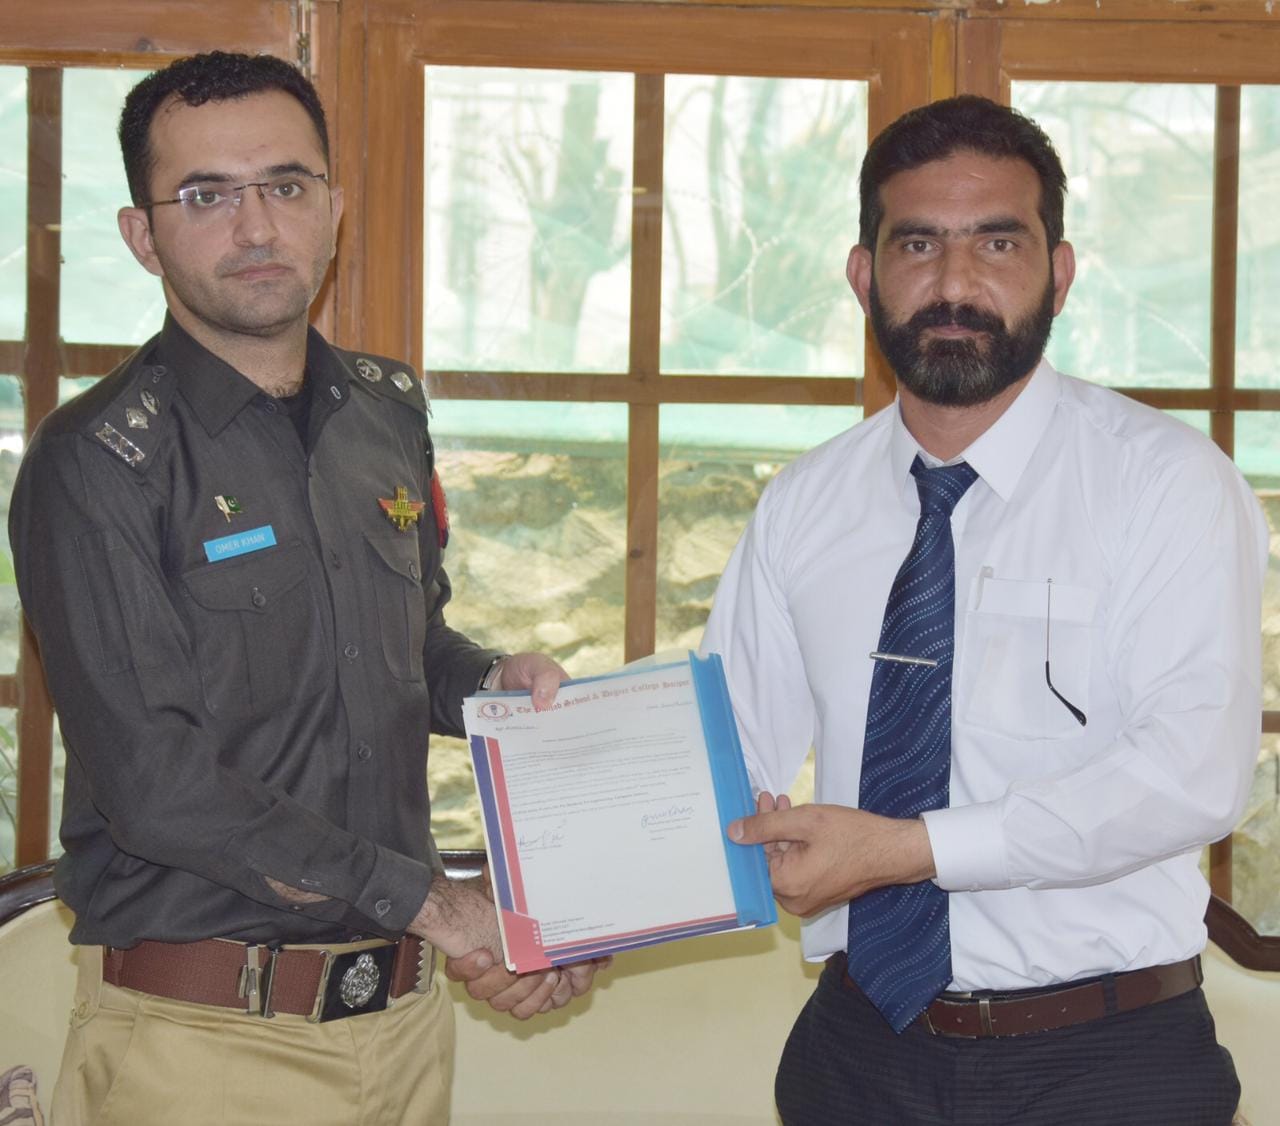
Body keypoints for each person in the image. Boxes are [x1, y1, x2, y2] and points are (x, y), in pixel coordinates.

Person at [8, 52, 602, 1126]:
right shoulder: (96, 460)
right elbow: (156, 783)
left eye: (286, 185)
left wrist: (492, 688)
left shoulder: (384, 412)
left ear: (333, 208)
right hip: (201, 1048)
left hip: (405, 1026)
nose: (256, 226)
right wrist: (440, 904)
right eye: (206, 196)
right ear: (142, 235)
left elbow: (408, 645)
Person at [707, 95, 1268, 1125]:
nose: (955, 284)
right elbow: (721, 754)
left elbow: (1190, 774)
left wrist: (908, 850)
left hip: (1109, 1063)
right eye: (917, 244)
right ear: (863, 274)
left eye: (997, 243)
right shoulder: (804, 503)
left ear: (1059, 272)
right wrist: (565, 916)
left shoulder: (1166, 484)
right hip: (857, 1057)